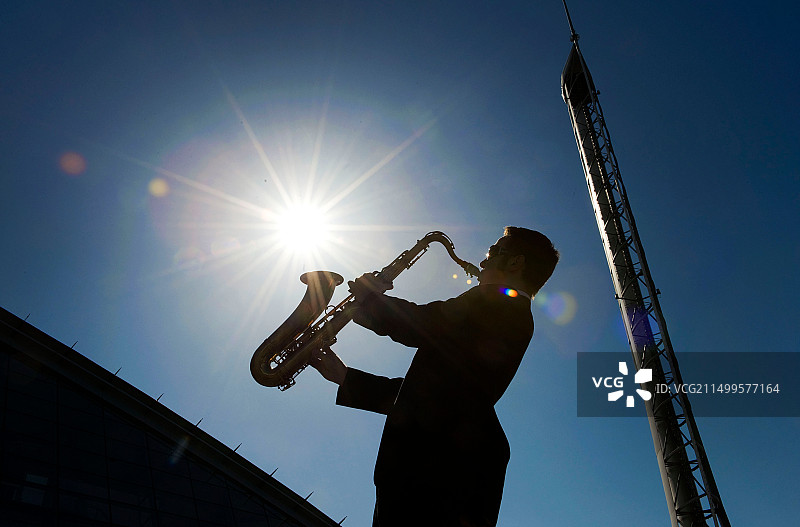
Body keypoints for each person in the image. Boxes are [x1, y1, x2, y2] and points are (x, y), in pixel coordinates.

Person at [309, 226, 559, 526]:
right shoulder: (508, 310)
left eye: (492, 253)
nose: (481, 262)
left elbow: (425, 324)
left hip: (434, 481)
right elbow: (430, 395)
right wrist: (346, 377)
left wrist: (371, 300)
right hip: (434, 478)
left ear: (515, 263)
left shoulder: (501, 302)